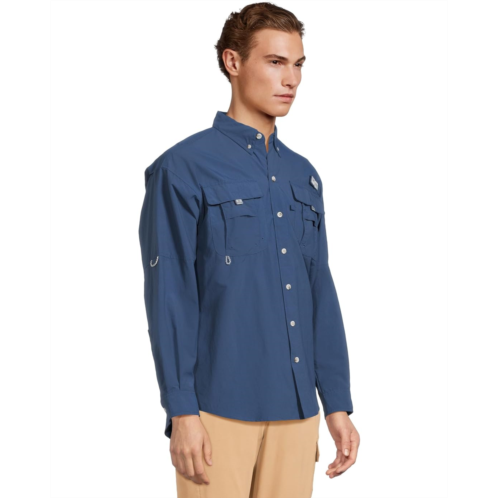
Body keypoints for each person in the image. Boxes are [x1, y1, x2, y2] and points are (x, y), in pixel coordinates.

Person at [138, 3, 360, 497]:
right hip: (218, 411)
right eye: (275, 62)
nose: (291, 79)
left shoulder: (304, 175)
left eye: (298, 64)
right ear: (233, 62)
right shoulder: (182, 168)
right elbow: (170, 295)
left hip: (298, 413)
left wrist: (337, 403)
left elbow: (319, 291)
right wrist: (182, 410)